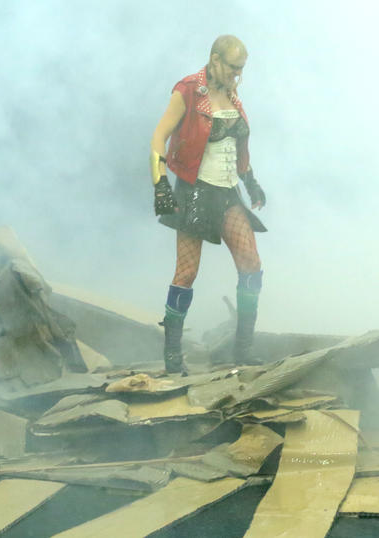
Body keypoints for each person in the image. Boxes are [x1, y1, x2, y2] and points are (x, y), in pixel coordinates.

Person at [149, 35, 267, 374]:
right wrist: (159, 184)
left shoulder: (231, 93)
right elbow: (159, 136)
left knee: (251, 265)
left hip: (228, 193)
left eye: (241, 69)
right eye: (232, 67)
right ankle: (173, 359)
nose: (237, 75)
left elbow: (236, 145)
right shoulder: (187, 90)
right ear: (215, 59)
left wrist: (250, 181)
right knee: (186, 274)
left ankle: (243, 350)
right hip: (196, 192)